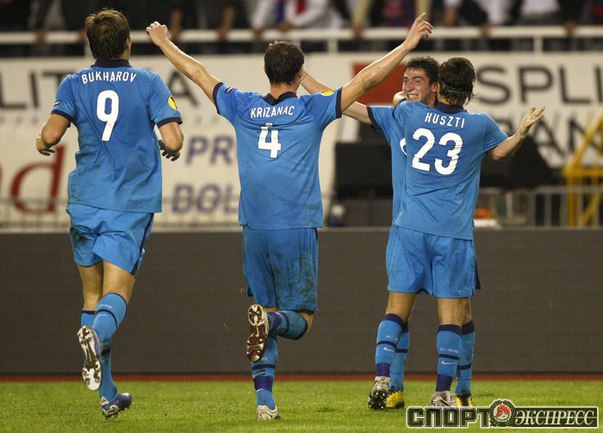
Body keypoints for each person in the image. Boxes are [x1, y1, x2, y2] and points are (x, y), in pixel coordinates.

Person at [146, 13, 432, 420]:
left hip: (253, 226)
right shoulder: (312, 108)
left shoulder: (241, 105)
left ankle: (264, 401)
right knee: (299, 319)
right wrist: (406, 45)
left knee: (262, 310)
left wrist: (163, 43)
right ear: (299, 74)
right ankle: (271, 322)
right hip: (295, 225)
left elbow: (198, 73)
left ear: (267, 73)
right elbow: (367, 80)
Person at [302, 56, 478, 409]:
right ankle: (401, 388)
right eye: (405, 80)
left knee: (460, 312)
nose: (407, 86)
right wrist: (303, 76)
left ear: (436, 86)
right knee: (411, 310)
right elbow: (342, 102)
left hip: (438, 230)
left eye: (416, 80)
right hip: (416, 231)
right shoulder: (401, 116)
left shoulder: (441, 121)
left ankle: (460, 389)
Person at [370, 57, 544, 407]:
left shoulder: (411, 114)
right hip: (451, 232)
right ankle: (443, 394)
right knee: (453, 317)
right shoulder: (479, 125)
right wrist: (521, 132)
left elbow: (397, 102)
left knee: (395, 310)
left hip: (409, 227)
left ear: (438, 86)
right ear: (470, 90)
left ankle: (382, 379)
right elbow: (500, 153)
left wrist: (402, 97)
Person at [35, 9, 184, 418]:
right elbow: (173, 139)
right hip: (127, 205)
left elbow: (50, 134)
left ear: (91, 46)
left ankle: (107, 395)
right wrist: (167, 146)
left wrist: (41, 143)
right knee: (116, 296)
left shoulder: (73, 83)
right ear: (128, 43)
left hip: (84, 201)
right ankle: (94, 337)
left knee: (92, 296)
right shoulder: (148, 82)